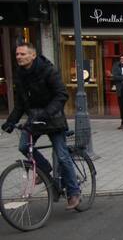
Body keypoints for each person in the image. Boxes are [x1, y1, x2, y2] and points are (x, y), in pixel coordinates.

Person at [1, 42, 81, 209]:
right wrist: (11, 121)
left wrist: (46, 113)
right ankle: (44, 169)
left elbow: (62, 95)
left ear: (33, 55)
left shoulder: (48, 70)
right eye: (17, 54)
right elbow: (21, 103)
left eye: (22, 54)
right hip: (34, 119)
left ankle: (73, 192)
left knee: (62, 155)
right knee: (24, 146)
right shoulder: (21, 74)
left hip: (53, 119)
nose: (19, 57)